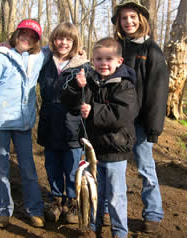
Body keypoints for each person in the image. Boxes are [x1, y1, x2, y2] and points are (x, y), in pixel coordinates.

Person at [60, 37, 138, 238]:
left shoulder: (125, 86)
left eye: (108, 59)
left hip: (115, 151)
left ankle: (119, 232)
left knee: (115, 196)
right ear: (92, 61)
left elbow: (122, 115)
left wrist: (93, 110)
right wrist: (78, 88)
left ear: (119, 62)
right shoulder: (89, 81)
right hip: (92, 150)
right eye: (99, 59)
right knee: (93, 193)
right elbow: (70, 104)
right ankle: (92, 229)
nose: (103, 63)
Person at [0, 19, 51, 228]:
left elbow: (59, 46)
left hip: (23, 124)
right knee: (1, 167)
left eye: (32, 36)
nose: (27, 39)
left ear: (37, 40)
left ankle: (34, 210)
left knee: (28, 169)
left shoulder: (38, 57)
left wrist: (79, 52)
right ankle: (2, 210)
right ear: (16, 34)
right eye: (23, 34)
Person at [111, 0, 170, 233]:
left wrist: (154, 126)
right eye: (124, 18)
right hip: (117, 121)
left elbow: (158, 91)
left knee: (146, 167)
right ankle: (111, 210)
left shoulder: (151, 50)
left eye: (133, 17)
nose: (128, 22)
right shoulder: (115, 47)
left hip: (141, 123)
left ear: (141, 19)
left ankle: (153, 214)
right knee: (114, 168)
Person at [37, 22, 89, 224]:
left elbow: (90, 93)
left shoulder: (82, 64)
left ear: (75, 42)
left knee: (73, 166)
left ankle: (73, 202)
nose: (64, 43)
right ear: (53, 40)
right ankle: (55, 199)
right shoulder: (44, 61)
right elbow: (27, 53)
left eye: (69, 39)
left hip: (72, 124)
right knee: (52, 164)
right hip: (49, 120)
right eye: (60, 38)